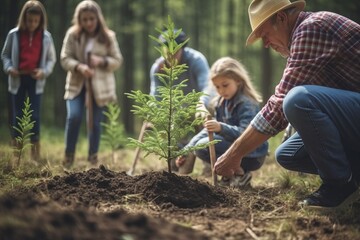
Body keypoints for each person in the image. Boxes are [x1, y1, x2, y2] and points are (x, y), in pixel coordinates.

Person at [215, 0, 360, 208]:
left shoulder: (311, 28)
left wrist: (234, 153)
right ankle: (351, 176)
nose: (265, 44)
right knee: (288, 154)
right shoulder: (303, 39)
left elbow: (281, 104)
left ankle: (340, 186)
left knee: (296, 99)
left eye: (265, 35)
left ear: (282, 18)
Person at [176, 57, 268, 187]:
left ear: (238, 80)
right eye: (217, 87)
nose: (221, 90)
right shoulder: (220, 102)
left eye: (225, 85)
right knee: (201, 146)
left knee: (204, 145)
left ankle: (241, 174)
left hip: (253, 154)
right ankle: (229, 175)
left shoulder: (246, 104)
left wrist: (221, 127)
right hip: (234, 148)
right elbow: (207, 131)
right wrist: (187, 150)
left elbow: (248, 134)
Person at [60, 0, 123, 168]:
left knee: (95, 123)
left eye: (91, 19)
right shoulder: (72, 35)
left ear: (98, 18)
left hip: (99, 87)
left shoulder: (108, 37)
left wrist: (101, 61)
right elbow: (64, 58)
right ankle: (68, 156)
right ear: (79, 19)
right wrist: (79, 66)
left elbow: (117, 61)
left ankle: (92, 158)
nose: (88, 23)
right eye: (84, 19)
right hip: (77, 84)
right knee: (74, 116)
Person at [149, 29, 212, 172]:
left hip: (198, 108)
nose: (170, 57)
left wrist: (201, 105)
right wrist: (153, 113)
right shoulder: (158, 68)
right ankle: (178, 167)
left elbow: (207, 88)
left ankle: (209, 164)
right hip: (177, 114)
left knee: (209, 113)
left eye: (174, 52)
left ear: (183, 48)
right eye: (167, 53)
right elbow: (156, 95)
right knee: (178, 167)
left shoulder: (197, 60)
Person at [1, 0, 56, 161]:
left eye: (36, 21)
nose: (32, 24)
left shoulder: (46, 37)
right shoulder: (14, 34)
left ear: (40, 20)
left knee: (35, 116)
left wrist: (44, 71)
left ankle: (35, 154)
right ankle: (16, 154)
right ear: (24, 18)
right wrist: (9, 67)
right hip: (17, 78)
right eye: (29, 20)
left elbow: (51, 59)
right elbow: (5, 55)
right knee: (18, 115)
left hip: (35, 80)